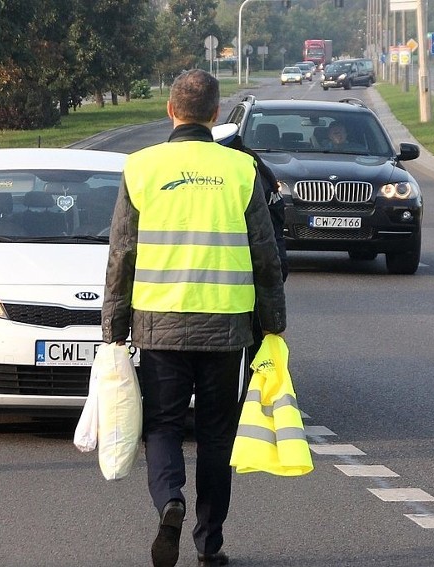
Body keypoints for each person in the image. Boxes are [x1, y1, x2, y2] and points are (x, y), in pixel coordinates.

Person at [101, 69, 287, 567]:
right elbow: (265, 256)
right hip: (227, 329)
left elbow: (122, 254)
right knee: (215, 434)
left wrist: (113, 329)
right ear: (214, 114)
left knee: (162, 426)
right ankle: (210, 544)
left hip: (159, 325)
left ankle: (170, 502)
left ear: (170, 110)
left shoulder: (140, 168)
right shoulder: (241, 171)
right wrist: (273, 325)